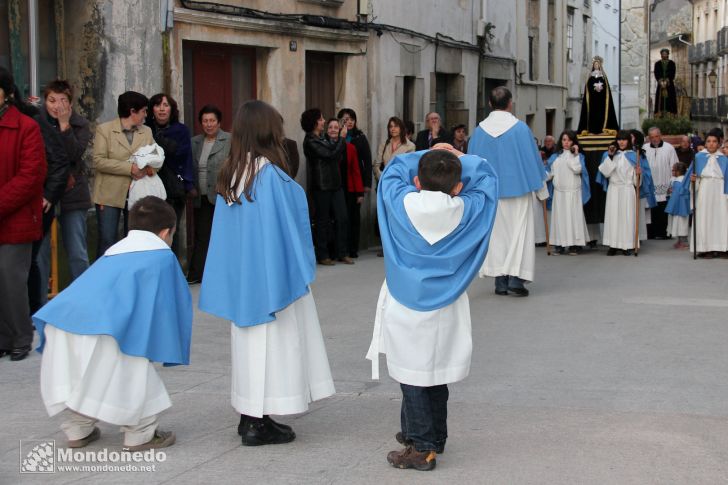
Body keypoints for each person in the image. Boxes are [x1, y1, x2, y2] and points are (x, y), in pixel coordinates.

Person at [199, 100, 335, 446]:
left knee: (249, 349)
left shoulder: (232, 173)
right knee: (278, 346)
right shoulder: (270, 177)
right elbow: (291, 227)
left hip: (244, 282)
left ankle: (250, 417)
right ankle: (260, 421)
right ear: (266, 131)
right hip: (274, 278)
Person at [367, 146, 498, 471]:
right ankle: (429, 434)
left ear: (417, 180)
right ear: (458, 187)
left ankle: (422, 448)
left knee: (412, 376)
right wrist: (457, 156)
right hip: (447, 301)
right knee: (435, 373)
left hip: (406, 300)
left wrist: (432, 151)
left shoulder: (401, 199)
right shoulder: (468, 207)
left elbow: (395, 169)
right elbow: (486, 178)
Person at [34, 196, 192, 450]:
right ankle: (141, 432)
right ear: (166, 233)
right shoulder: (162, 255)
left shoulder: (113, 252)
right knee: (132, 369)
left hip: (63, 320)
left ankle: (78, 428)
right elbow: (170, 306)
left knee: (81, 375)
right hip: (105, 327)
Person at [468, 86, 548, 297]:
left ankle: (500, 281)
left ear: (489, 104)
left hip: (490, 193)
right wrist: (542, 190)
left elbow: (472, 164)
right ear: (510, 103)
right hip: (518, 190)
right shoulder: (521, 129)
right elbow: (533, 161)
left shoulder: (479, 131)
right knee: (518, 234)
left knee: (497, 236)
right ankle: (516, 279)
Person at [0, 67, 47, 361]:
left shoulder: (26, 127)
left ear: (6, 93)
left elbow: (31, 176)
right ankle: (3, 337)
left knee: (10, 277)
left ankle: (20, 336)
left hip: (16, 217)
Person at [34, 80, 93, 310]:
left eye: (62, 100)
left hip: (72, 193)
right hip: (44, 194)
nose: (57, 105)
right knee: (40, 254)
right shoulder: (36, 124)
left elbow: (74, 154)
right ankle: (38, 304)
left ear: (70, 102)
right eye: (51, 100)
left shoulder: (79, 124)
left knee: (77, 251)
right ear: (44, 101)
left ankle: (84, 302)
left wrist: (64, 125)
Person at [93, 91, 154, 257]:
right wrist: (129, 169)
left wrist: (148, 169)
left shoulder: (146, 132)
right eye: (143, 111)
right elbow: (98, 161)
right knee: (107, 239)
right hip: (109, 194)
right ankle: (104, 279)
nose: (146, 115)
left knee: (135, 239)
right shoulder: (104, 130)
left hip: (137, 192)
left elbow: (155, 156)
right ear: (132, 112)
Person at [146, 93, 195, 256]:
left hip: (174, 188)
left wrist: (189, 184)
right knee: (150, 229)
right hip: (149, 186)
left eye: (166, 105)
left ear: (172, 109)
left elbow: (183, 156)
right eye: (158, 105)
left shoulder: (181, 131)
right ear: (151, 109)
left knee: (171, 230)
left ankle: (172, 268)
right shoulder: (145, 129)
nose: (161, 109)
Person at [301, 108, 352, 265]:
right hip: (321, 186)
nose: (324, 121)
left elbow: (335, 154)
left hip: (336, 184)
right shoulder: (310, 141)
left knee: (342, 218)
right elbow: (330, 155)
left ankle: (341, 252)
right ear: (315, 122)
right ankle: (322, 255)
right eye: (321, 119)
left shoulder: (323, 138)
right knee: (322, 221)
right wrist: (342, 139)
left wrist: (338, 141)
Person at [187, 105, 230, 284]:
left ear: (219, 122)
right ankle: (197, 274)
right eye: (205, 121)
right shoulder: (195, 142)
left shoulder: (230, 140)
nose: (209, 124)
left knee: (223, 235)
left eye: (212, 120)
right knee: (202, 236)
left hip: (222, 195)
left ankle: (224, 273)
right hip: (201, 195)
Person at [597, 131, 650, 255]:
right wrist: (610, 157)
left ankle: (626, 246)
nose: (621, 142)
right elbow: (605, 173)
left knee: (627, 217)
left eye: (624, 139)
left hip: (627, 190)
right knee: (613, 217)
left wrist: (638, 174)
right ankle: (613, 246)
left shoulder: (634, 155)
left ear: (629, 141)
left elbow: (637, 183)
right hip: (614, 189)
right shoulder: (609, 154)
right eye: (619, 139)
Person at [681, 129, 728, 258]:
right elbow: (693, 176)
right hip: (705, 189)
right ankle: (705, 248)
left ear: (719, 143)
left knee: (721, 219)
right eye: (709, 141)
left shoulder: (724, 158)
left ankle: (722, 247)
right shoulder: (698, 157)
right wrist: (693, 180)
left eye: (714, 141)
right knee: (704, 218)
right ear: (705, 143)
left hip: (720, 191)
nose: (711, 144)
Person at [545, 130, 591, 255]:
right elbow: (549, 173)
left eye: (569, 140)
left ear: (574, 142)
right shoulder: (555, 157)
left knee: (573, 219)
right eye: (564, 140)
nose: (566, 142)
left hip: (573, 192)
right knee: (559, 220)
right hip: (559, 193)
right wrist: (540, 176)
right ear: (561, 141)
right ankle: (559, 244)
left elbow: (577, 170)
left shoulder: (579, 157)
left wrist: (575, 154)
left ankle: (574, 245)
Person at [326, 119, 364, 258]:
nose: (333, 130)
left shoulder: (350, 148)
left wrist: (359, 192)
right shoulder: (324, 145)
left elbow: (356, 171)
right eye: (330, 127)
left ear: (341, 130)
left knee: (345, 220)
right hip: (328, 188)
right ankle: (332, 251)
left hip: (347, 188)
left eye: (336, 127)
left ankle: (346, 250)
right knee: (330, 221)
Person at [338, 108, 373, 255]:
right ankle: (341, 248)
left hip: (355, 182)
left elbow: (367, 160)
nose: (349, 122)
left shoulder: (360, 137)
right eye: (345, 119)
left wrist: (366, 184)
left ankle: (353, 248)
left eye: (351, 119)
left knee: (354, 216)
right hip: (339, 181)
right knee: (341, 216)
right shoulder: (336, 136)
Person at [643, 127, 679, 239]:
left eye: (656, 136)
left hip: (664, 182)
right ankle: (651, 233)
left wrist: (673, 183)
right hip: (650, 184)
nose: (654, 139)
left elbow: (675, 165)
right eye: (651, 137)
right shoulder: (645, 148)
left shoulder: (669, 148)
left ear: (660, 135)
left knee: (663, 209)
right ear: (648, 137)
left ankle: (663, 233)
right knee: (651, 209)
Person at [577, 56, 619, 135]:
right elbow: (588, 88)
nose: (596, 66)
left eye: (597, 64)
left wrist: (600, 88)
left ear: (600, 65)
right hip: (593, 100)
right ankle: (591, 130)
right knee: (592, 115)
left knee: (601, 115)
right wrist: (594, 88)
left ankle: (602, 129)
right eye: (595, 64)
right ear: (593, 65)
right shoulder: (590, 76)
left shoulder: (603, 76)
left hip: (601, 100)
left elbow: (606, 90)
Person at [374, 116, 416, 184]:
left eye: (396, 126)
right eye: (390, 126)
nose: (393, 129)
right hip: (384, 182)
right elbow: (376, 164)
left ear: (401, 128)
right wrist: (381, 177)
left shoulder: (410, 146)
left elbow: (409, 168)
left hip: (400, 182)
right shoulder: (384, 144)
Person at [665, 162, 689, 249]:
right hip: (682, 205)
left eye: (673, 170)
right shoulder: (682, 180)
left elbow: (676, 195)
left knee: (681, 223)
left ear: (678, 171)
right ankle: (680, 241)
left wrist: (671, 205)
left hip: (679, 206)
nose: (672, 172)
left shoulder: (679, 181)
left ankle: (684, 242)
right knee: (679, 223)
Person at [654, 48, 678, 116]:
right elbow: (656, 72)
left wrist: (667, 80)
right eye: (663, 54)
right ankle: (660, 113)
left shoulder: (672, 63)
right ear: (661, 55)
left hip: (669, 85)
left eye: (665, 53)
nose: (664, 55)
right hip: (660, 84)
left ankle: (670, 114)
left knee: (670, 99)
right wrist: (660, 81)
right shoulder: (657, 64)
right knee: (660, 99)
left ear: (668, 54)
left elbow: (672, 72)